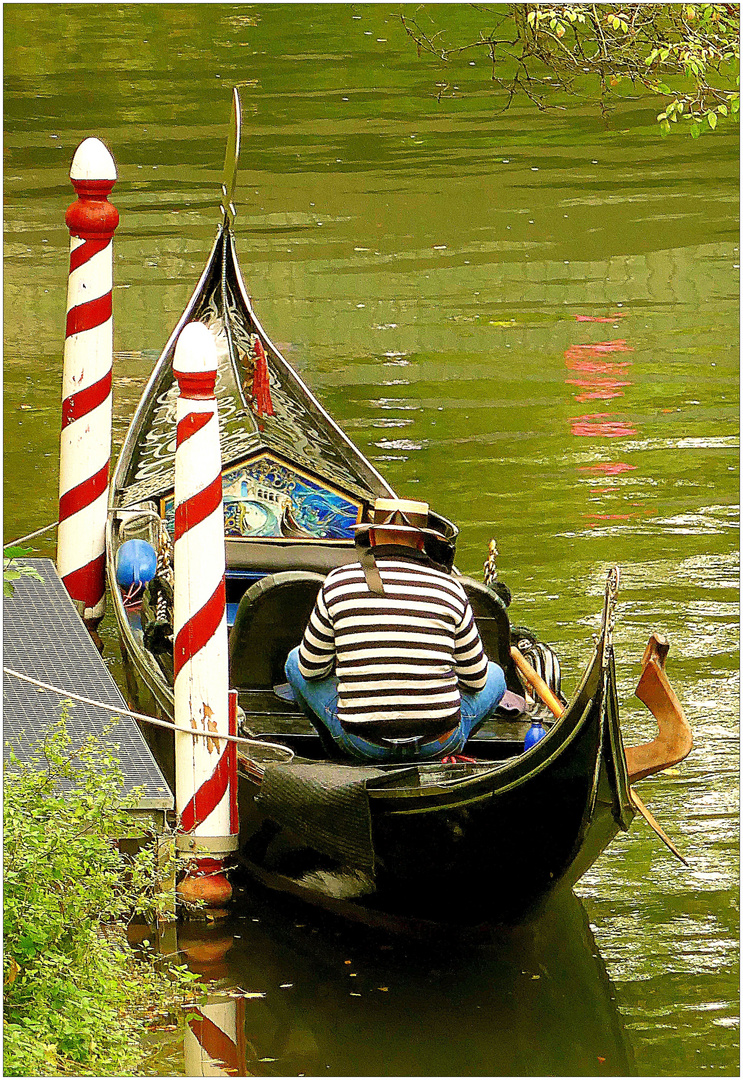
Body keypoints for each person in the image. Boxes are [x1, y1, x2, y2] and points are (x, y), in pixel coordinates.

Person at [284, 497, 506, 762]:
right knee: (495, 675)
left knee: (294, 660)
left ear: (373, 537)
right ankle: (450, 747)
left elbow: (310, 668)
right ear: (422, 542)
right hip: (437, 742)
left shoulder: (338, 583)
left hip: (362, 744)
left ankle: (336, 751)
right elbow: (476, 680)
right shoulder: (451, 589)